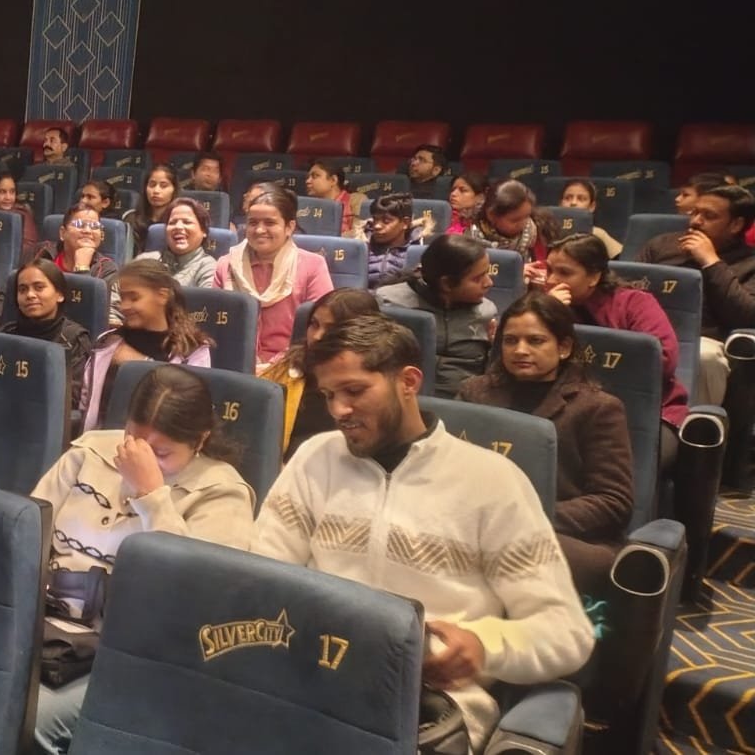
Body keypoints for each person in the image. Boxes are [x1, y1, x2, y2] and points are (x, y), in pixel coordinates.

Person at [253, 315, 594, 752]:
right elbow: (262, 580)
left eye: (354, 391)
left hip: (429, 706)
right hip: (307, 680)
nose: (339, 410)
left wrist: (484, 645)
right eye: (329, 395)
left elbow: (566, 633)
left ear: (408, 382)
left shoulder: (492, 482)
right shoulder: (314, 459)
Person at [31, 365, 256, 755]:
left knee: (27, 718)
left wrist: (151, 494)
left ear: (200, 440)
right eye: (133, 440)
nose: (141, 457)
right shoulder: (90, 452)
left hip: (130, 652)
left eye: (161, 453)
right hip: (47, 629)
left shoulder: (222, 493)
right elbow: (29, 534)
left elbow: (197, 595)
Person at [459, 293, 634, 593]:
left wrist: (524, 517)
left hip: (565, 535)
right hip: (478, 523)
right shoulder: (474, 393)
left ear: (563, 348)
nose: (520, 350)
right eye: (510, 341)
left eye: (535, 341)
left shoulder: (597, 408)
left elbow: (613, 502)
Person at [546, 233, 688, 437]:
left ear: (594, 277)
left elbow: (663, 360)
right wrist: (549, 313)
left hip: (644, 408)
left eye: (564, 272)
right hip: (570, 407)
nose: (551, 280)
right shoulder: (548, 305)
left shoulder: (635, 303)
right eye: (549, 270)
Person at [638, 183, 755, 406]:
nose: (695, 221)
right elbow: (627, 288)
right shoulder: (661, 245)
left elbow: (747, 316)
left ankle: (695, 422)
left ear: (736, 224)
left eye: (708, 216)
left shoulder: (749, 262)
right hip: (649, 332)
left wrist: (711, 262)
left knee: (704, 357)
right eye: (695, 212)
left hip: (704, 340)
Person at [80, 260, 211, 430]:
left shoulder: (192, 350)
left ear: (162, 296)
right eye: (122, 298)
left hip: (160, 441)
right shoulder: (107, 343)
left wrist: (142, 365)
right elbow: (86, 403)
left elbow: (189, 411)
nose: (124, 306)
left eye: (134, 298)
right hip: (101, 439)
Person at [217, 186, 335, 370]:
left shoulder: (313, 266)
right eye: (252, 222)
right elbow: (215, 327)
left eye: (270, 223)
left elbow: (320, 330)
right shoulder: (226, 264)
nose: (259, 230)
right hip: (232, 365)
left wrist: (273, 367)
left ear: (289, 227)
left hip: (293, 367)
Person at [261, 287, 382, 457]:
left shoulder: (374, 390)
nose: (317, 336)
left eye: (331, 329)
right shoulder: (286, 371)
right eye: (314, 324)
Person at [374, 234, 497, 397]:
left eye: (487, 274)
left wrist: (497, 347)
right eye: (477, 278)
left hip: (462, 401)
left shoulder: (486, 312)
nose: (489, 283)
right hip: (402, 396)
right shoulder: (388, 302)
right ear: (447, 284)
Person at [0, 260, 92, 404]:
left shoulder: (74, 339)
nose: (30, 295)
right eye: (22, 290)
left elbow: (71, 399)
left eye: (39, 287)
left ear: (60, 294)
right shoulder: (6, 334)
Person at [467, 180, 556, 286]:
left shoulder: (538, 232)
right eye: (515, 220)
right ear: (491, 215)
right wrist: (513, 273)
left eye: (527, 216)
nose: (524, 224)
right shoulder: (469, 239)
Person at [134, 196, 216, 287]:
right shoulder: (145, 260)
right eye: (172, 222)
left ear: (204, 231)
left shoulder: (209, 267)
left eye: (187, 222)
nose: (178, 227)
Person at [365, 192, 426, 289]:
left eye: (386, 221)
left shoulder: (421, 249)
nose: (377, 226)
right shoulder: (362, 245)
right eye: (375, 219)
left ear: (405, 223)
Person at [557, 179, 622, 257]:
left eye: (581, 199)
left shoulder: (597, 233)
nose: (573, 203)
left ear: (592, 207)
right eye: (568, 198)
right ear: (560, 203)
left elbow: (623, 258)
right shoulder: (550, 230)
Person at [0, 169, 40, 261]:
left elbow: (27, 250)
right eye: (2, 192)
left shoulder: (22, 215)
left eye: (12, 192)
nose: (8, 197)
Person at [124, 165, 179, 253]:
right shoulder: (131, 219)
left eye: (163, 186)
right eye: (152, 185)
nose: (156, 191)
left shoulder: (179, 221)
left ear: (174, 190)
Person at [304, 160, 365, 237]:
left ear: (333, 180)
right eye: (308, 177)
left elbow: (359, 233)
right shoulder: (306, 207)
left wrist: (330, 240)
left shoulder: (356, 200)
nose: (307, 181)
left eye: (315, 176)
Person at [445, 171, 488, 236]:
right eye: (453, 190)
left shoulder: (487, 223)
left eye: (463, 190)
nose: (453, 194)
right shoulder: (443, 216)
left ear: (480, 197)